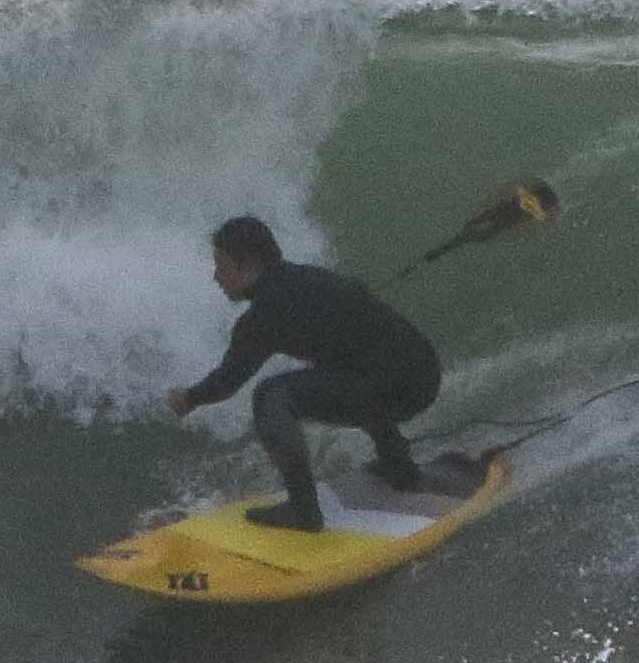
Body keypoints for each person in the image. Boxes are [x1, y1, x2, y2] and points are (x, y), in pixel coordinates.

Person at [167, 214, 442, 533]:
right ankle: (399, 468)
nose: (216, 276)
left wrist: (189, 398)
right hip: (424, 372)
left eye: (222, 265)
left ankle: (303, 511)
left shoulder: (264, 315)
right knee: (347, 371)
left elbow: (226, 383)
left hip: (398, 386)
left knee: (271, 395)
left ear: (248, 265)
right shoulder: (312, 278)